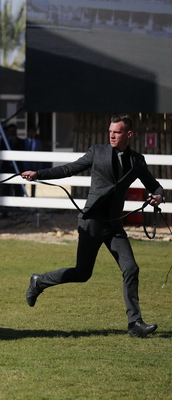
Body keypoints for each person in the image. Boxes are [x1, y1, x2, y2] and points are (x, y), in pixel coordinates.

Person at [22, 114, 164, 338]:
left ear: (128, 134)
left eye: (116, 132)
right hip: (92, 222)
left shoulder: (137, 161)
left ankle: (135, 323)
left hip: (114, 225)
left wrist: (157, 196)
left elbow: (154, 186)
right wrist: (39, 174)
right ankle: (39, 281)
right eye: (110, 131)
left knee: (131, 269)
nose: (111, 135)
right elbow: (70, 168)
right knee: (82, 273)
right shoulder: (97, 152)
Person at [0, 123, 25, 197]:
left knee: (18, 188)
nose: (12, 133)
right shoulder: (4, 142)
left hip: (17, 168)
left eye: (13, 131)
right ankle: (5, 206)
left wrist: (16, 144)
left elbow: (23, 153)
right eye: (10, 131)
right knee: (6, 187)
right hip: (6, 167)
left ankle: (17, 206)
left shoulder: (21, 142)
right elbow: (0, 151)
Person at [23, 127, 43, 197]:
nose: (32, 133)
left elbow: (40, 155)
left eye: (33, 132)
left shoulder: (38, 142)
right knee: (23, 182)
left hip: (34, 165)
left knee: (34, 183)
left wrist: (39, 167)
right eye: (30, 132)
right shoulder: (23, 142)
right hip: (26, 165)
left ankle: (33, 197)